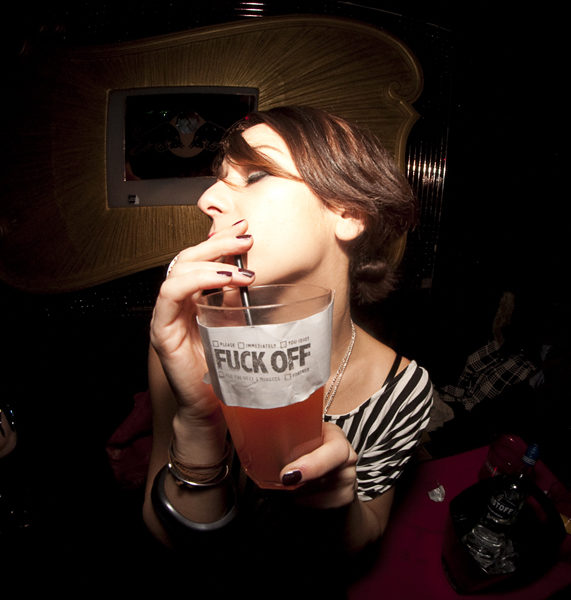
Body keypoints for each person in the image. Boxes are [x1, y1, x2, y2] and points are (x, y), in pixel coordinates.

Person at [142, 106, 433, 594]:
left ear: (349, 213)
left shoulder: (403, 390)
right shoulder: (187, 344)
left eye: (255, 174)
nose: (207, 199)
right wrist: (200, 421)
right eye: (218, 178)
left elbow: (368, 538)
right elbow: (165, 538)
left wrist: (337, 504)